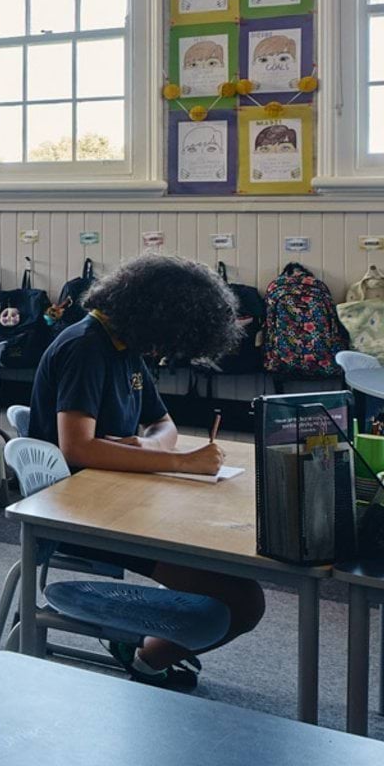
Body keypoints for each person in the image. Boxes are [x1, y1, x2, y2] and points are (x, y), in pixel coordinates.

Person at [26, 253, 265, 690]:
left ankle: (147, 651)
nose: (163, 351)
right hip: (83, 513)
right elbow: (77, 447)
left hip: (119, 494)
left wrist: (150, 445)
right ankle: (147, 659)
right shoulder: (87, 347)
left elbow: (165, 424)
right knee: (244, 600)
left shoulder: (123, 347)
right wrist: (178, 462)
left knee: (230, 569)